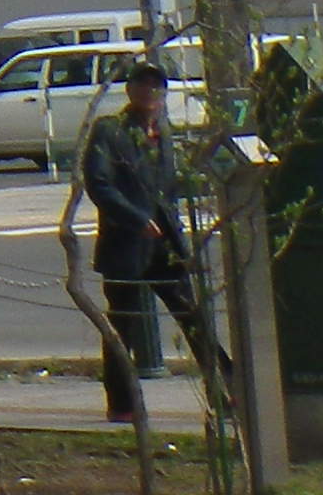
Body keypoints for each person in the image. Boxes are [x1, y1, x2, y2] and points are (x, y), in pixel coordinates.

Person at [76, 60, 200, 420]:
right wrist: (135, 219)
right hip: (126, 244)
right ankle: (121, 404)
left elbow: (170, 185)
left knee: (193, 317)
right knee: (123, 327)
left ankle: (225, 388)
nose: (150, 92)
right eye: (143, 85)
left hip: (165, 244)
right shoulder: (110, 130)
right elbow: (99, 183)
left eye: (157, 87)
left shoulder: (164, 131)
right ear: (130, 91)